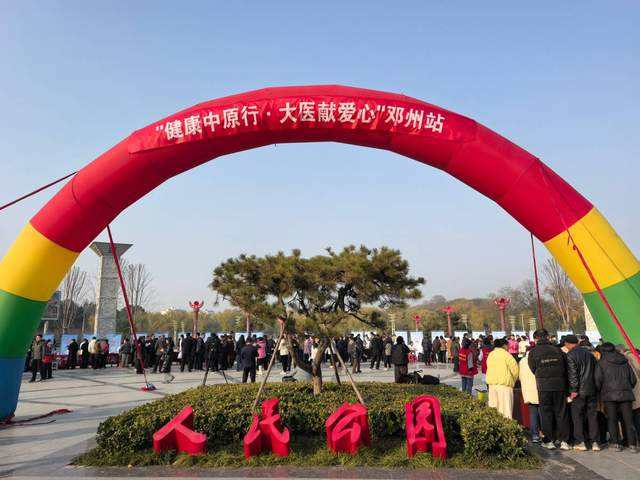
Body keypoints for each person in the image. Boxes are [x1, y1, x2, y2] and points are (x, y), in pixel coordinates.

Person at [528, 329, 571, 450]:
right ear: (547, 337)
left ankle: (549, 440)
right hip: (559, 385)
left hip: (544, 386)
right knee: (561, 412)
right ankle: (564, 441)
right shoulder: (558, 350)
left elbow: (533, 368)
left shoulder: (533, 352)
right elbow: (565, 367)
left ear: (536, 338)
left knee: (546, 413)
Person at [595, 343, 638, 452]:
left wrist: (601, 390)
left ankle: (616, 443)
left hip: (609, 395)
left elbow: (598, 380)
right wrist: (627, 388)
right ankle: (632, 444)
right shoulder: (624, 361)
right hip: (626, 394)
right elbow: (633, 379)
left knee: (612, 419)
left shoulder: (601, 363)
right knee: (628, 420)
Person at [565, 335, 600, 451]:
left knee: (577, 417)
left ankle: (580, 442)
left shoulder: (570, 355)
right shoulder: (589, 354)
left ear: (568, 344)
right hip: (592, 389)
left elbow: (573, 375)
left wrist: (573, 390)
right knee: (592, 416)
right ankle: (595, 442)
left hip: (579, 391)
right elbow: (596, 372)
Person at [485, 338, 519, 419]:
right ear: (504, 346)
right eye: (508, 345)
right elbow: (515, 370)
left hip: (492, 385)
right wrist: (513, 380)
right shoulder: (507, 355)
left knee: (494, 409)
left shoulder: (491, 354)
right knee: (506, 410)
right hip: (505, 386)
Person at [520, 350, 541, 443]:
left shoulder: (522, 361)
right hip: (540, 389)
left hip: (528, 391)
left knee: (533, 413)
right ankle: (543, 433)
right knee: (543, 413)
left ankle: (535, 435)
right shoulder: (538, 358)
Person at [623, 346, 640, 441]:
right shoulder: (633, 357)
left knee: (633, 417)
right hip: (635, 390)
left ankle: (632, 440)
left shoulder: (627, 358)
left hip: (630, 392)